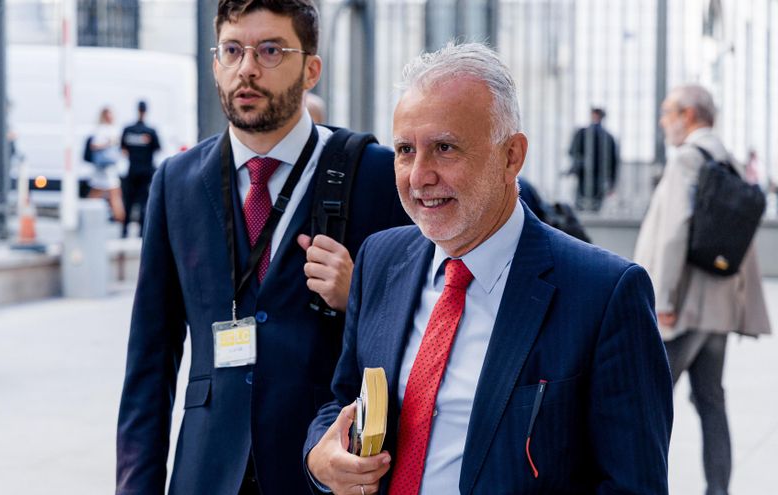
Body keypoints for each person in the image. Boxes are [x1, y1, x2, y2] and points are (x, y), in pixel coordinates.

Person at [306, 42, 672, 495]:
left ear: (511, 156)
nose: (419, 175)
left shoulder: (604, 293)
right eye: (404, 150)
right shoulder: (379, 260)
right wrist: (321, 458)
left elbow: (633, 484)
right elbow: (345, 400)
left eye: (444, 148)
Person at [115, 1, 409, 494]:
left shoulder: (375, 174)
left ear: (311, 69)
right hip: (205, 472)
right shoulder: (177, 182)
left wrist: (360, 294)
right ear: (216, 64)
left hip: (320, 470)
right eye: (233, 50)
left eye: (270, 50)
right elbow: (150, 357)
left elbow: (428, 321)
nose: (247, 68)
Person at [634, 84, 771, 495]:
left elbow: (675, 233)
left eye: (667, 112)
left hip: (685, 308)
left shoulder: (687, 161)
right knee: (712, 402)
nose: (663, 121)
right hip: (719, 310)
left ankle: (641, 486)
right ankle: (718, 490)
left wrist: (665, 300)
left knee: (648, 405)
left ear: (689, 115)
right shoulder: (727, 159)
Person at [119, 100, 161, 237]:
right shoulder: (150, 131)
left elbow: (123, 149)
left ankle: (124, 230)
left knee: (128, 202)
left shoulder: (128, 130)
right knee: (144, 202)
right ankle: (142, 231)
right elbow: (158, 148)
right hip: (146, 171)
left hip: (131, 171)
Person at [567, 107, 619, 211]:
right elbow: (613, 162)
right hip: (590, 174)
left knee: (585, 204)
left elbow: (572, 151)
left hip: (590, 174)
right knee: (590, 204)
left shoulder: (584, 132)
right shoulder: (607, 136)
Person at [87, 106, 125, 222]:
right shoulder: (101, 130)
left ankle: (119, 218)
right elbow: (94, 146)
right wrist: (107, 143)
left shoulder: (113, 129)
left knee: (112, 194)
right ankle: (119, 219)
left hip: (110, 169)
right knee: (102, 193)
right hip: (102, 169)